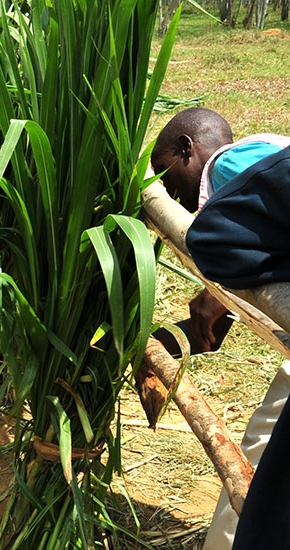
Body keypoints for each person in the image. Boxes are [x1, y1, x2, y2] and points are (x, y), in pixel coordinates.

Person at [151, 107, 290, 549]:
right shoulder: (262, 153)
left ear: (187, 150)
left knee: (262, 458)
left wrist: (220, 283)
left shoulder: (227, 166)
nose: (171, 195)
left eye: (167, 176)